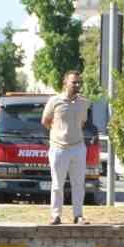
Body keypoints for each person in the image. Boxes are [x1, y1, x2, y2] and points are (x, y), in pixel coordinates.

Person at [40, 70, 90, 225]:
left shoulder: (84, 102)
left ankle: (78, 215)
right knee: (57, 184)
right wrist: (58, 134)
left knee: (78, 184)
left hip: (78, 148)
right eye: (74, 82)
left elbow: (82, 122)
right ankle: (56, 215)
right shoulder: (55, 101)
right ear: (65, 83)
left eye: (78, 82)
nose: (77, 85)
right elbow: (45, 121)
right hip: (59, 148)